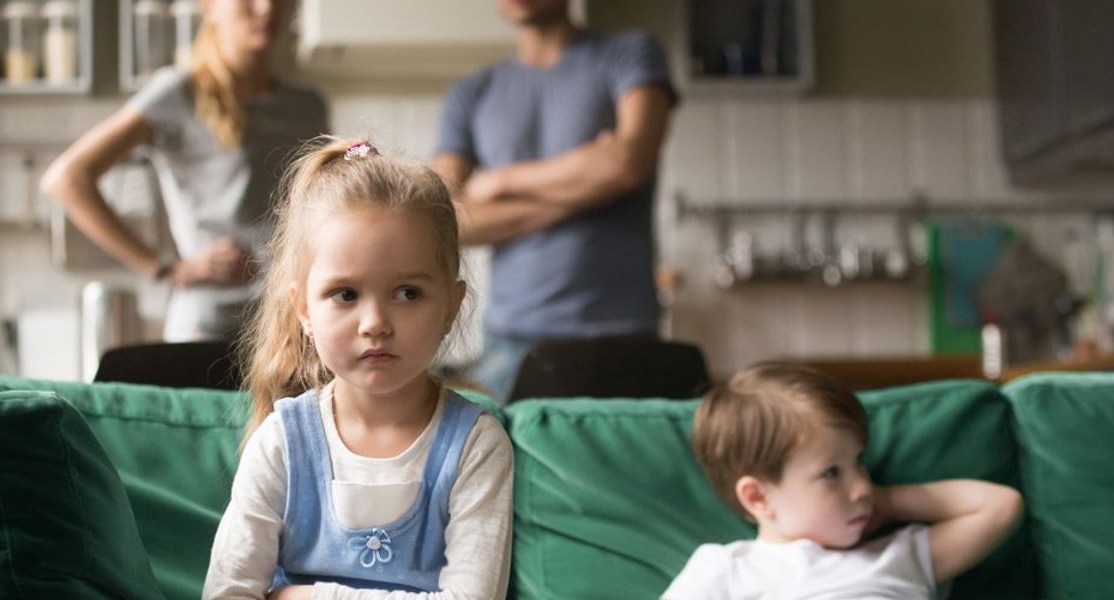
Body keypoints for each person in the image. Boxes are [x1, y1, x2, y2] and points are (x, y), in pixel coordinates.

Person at [203, 138, 514, 599]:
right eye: (345, 295)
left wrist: (307, 597)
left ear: (452, 305)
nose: (375, 324)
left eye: (407, 293)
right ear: (304, 310)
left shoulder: (476, 445)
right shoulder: (281, 443)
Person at [432, 0, 677, 403]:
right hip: (508, 344)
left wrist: (500, 181)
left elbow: (629, 163)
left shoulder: (631, 53)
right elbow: (445, 219)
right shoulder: (472, 92)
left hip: (620, 337)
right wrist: (590, 185)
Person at [41, 0, 327, 342]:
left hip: (291, 325)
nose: (266, 8)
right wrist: (165, 269)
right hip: (210, 327)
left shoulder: (308, 106)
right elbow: (67, 179)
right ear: (208, 6)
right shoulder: (178, 94)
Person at [664, 363, 1024, 599]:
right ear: (758, 497)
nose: (862, 487)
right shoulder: (729, 570)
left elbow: (1000, 506)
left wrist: (890, 499)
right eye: (831, 474)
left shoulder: (897, 556)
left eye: (859, 463)